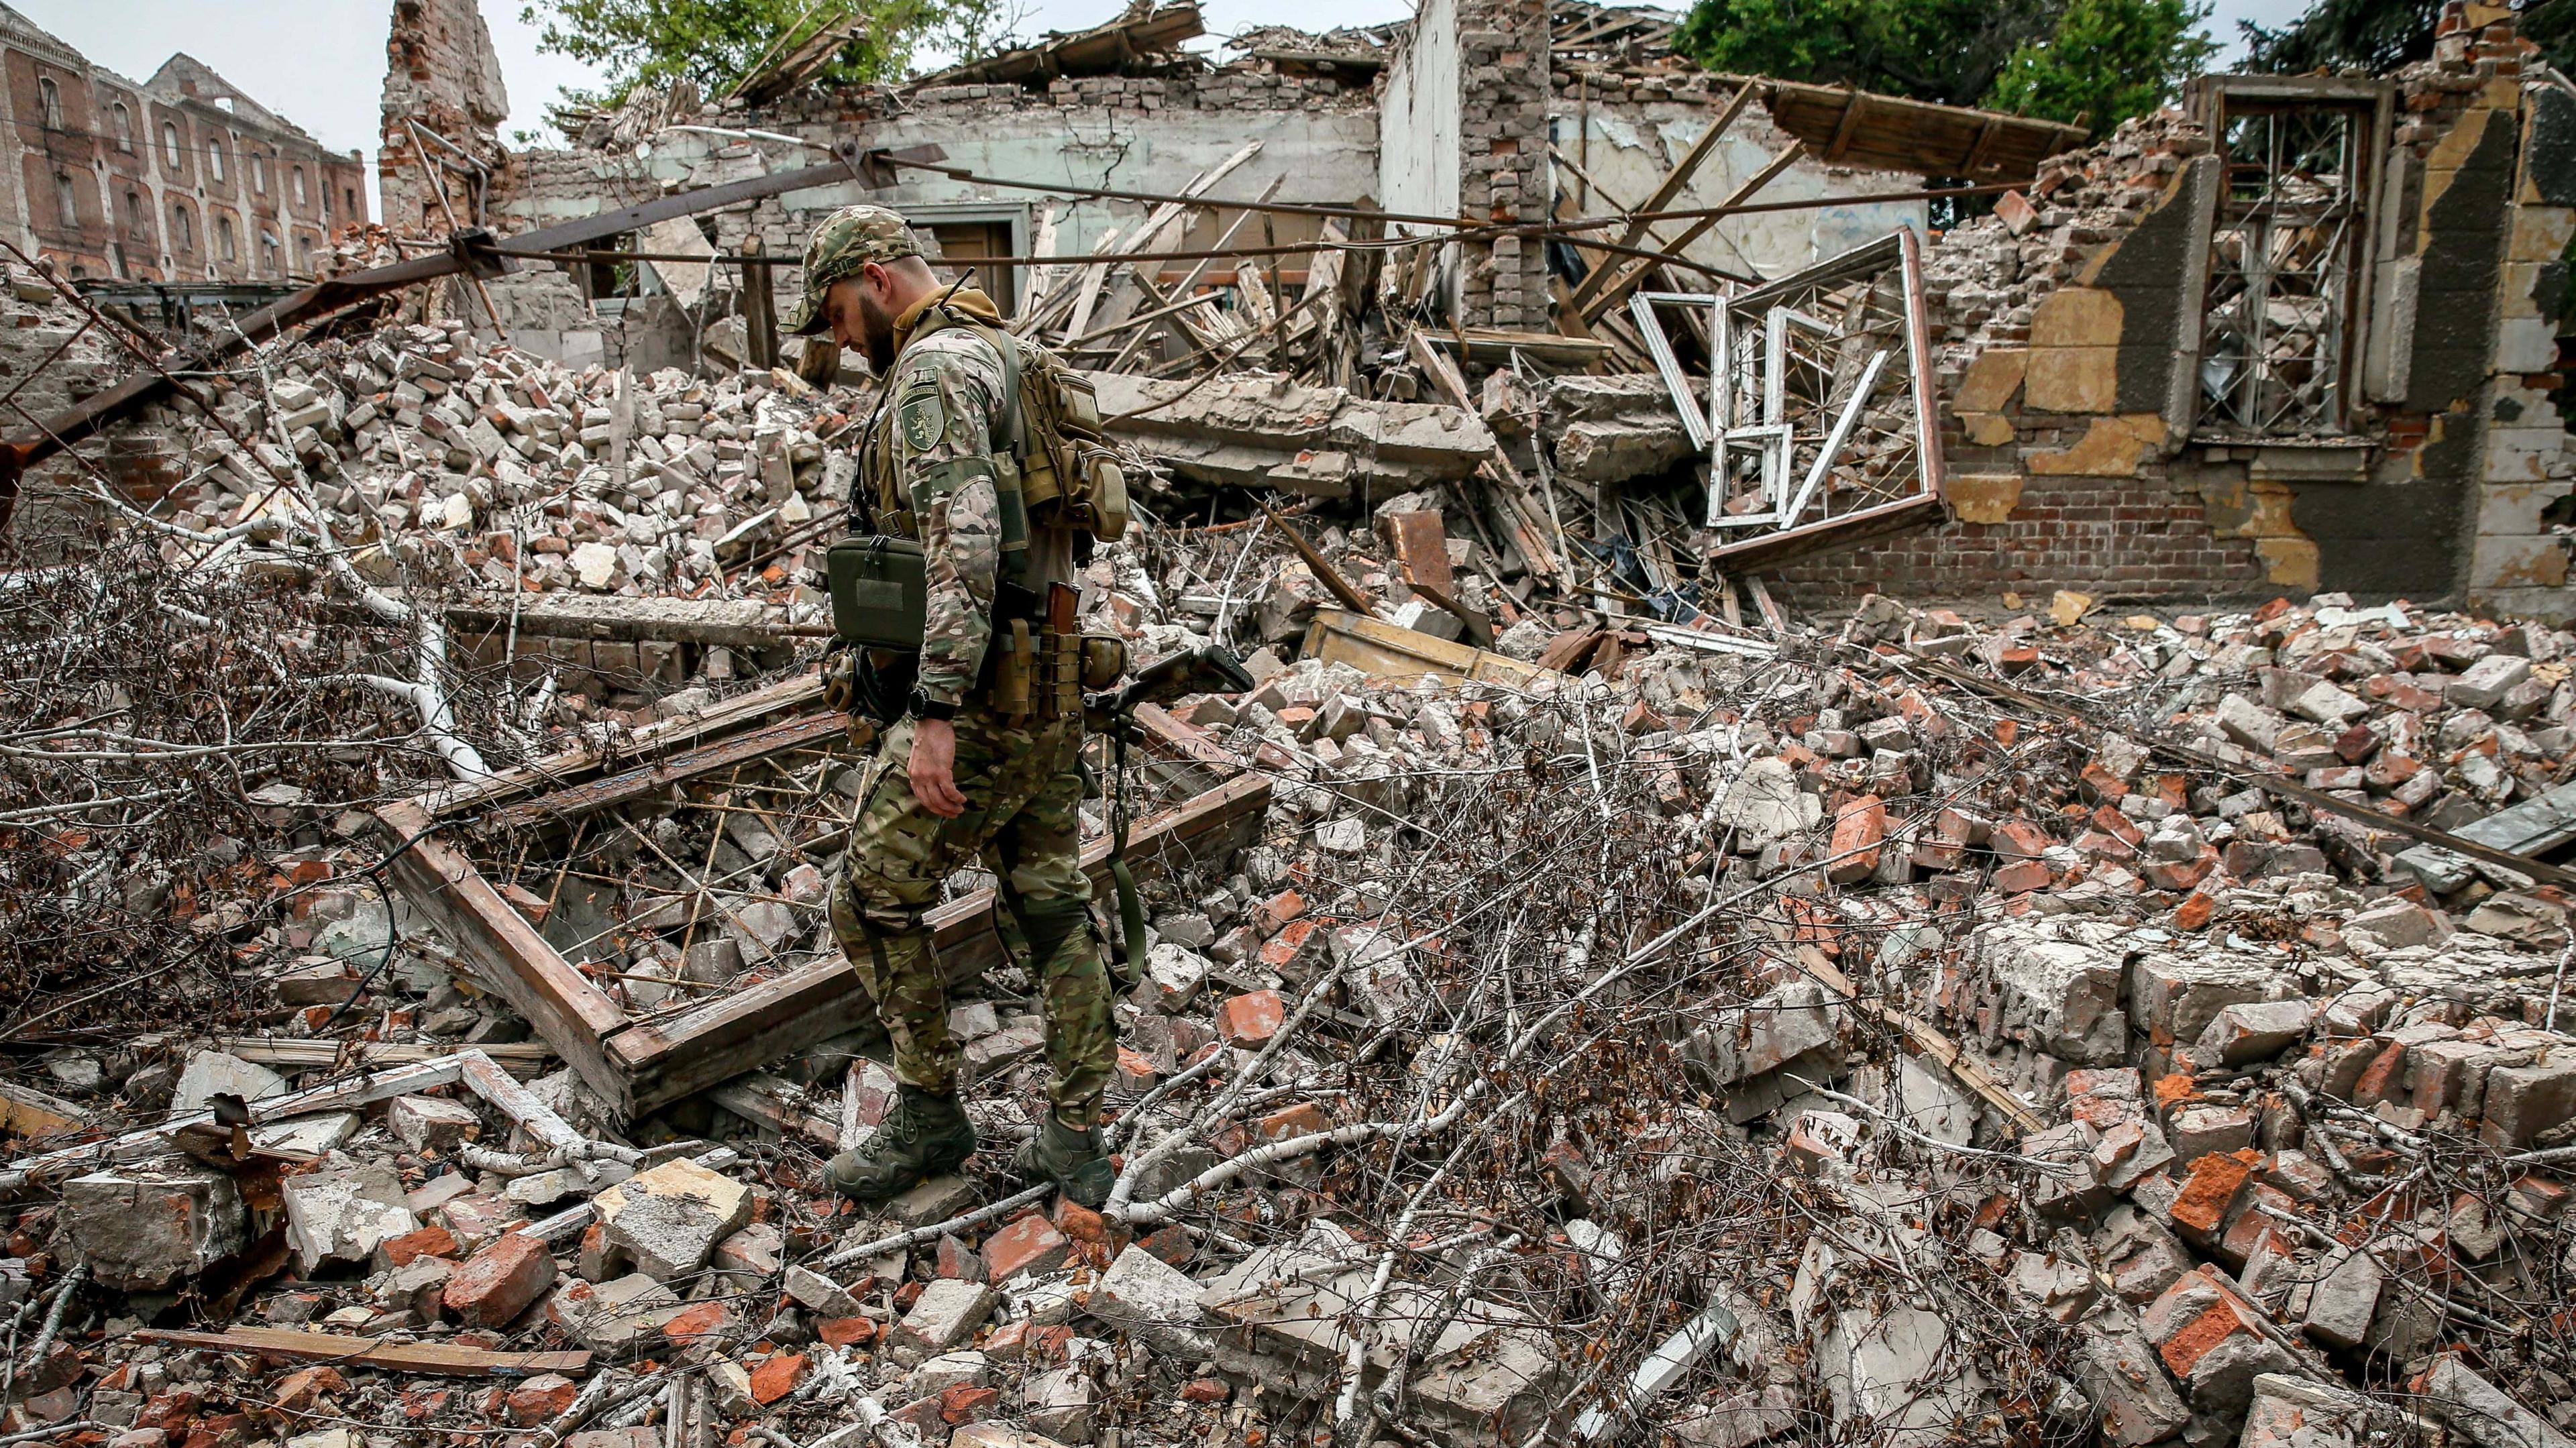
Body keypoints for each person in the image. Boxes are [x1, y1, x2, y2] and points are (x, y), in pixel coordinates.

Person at [786, 206, 1117, 1207]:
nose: (839, 341)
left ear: (877, 279)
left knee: (870, 897)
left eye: (839, 315)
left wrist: (934, 713)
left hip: (977, 700)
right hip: (1047, 677)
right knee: (1050, 903)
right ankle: (1075, 1142)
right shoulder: (1010, 356)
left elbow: (965, 543)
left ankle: (929, 1116)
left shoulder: (934, 374)